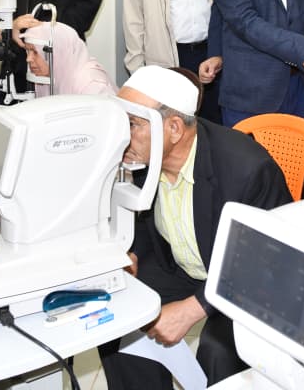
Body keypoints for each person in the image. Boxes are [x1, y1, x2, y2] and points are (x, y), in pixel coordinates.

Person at [98, 66, 292, 389]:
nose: (122, 135)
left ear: (174, 128)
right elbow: (144, 221)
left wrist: (193, 309)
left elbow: (264, 262)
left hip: (246, 279)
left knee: (218, 351)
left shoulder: (247, 170)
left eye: (132, 124)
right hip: (184, 264)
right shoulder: (145, 158)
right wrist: (132, 253)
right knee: (115, 320)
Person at [13, 15, 116, 97]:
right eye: (28, 51)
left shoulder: (91, 85)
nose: (28, 59)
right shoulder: (46, 78)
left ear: (58, 52)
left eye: (35, 52)